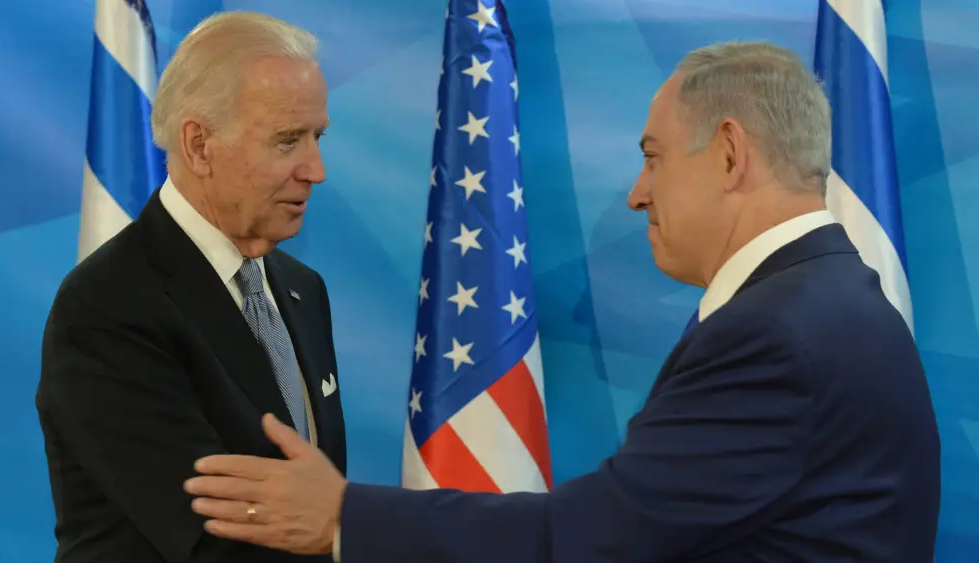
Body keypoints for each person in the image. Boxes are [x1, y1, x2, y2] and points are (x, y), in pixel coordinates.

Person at [183, 41, 942, 562]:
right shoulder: (835, 299)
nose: (639, 192)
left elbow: (595, 537)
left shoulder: (776, 332)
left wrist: (345, 515)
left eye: (652, 157)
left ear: (732, 153)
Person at [35, 11, 345, 563]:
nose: (315, 169)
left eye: (316, 136)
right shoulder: (108, 307)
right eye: (287, 140)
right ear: (199, 144)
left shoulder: (303, 289)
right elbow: (211, 540)